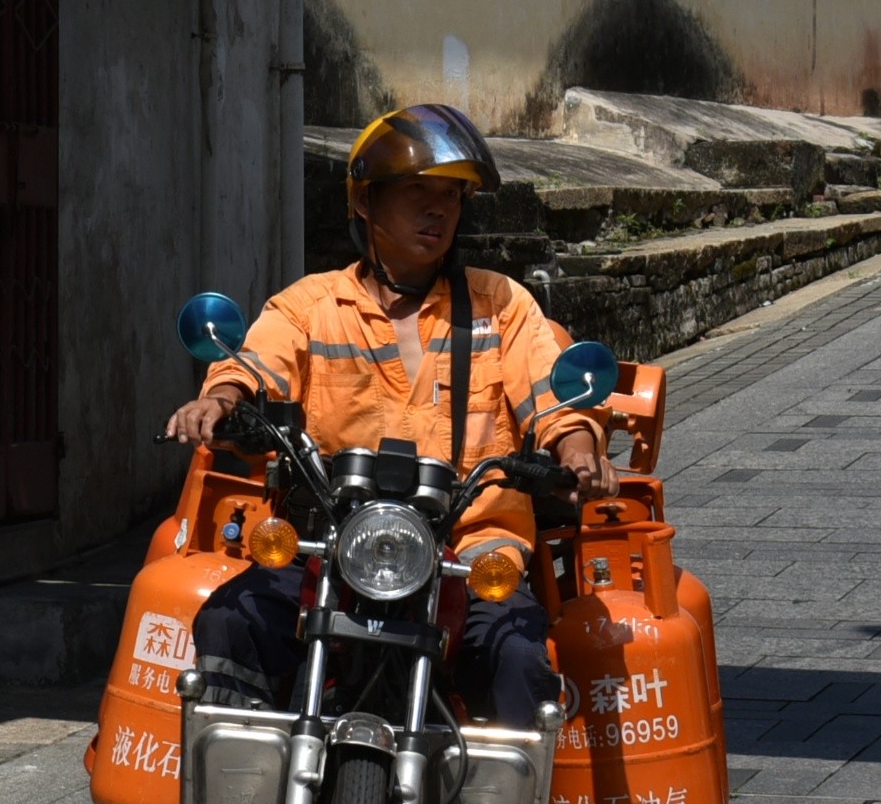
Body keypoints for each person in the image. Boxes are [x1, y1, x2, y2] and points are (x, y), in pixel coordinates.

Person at [166, 102, 611, 728]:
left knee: (517, 658)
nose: (440, 211)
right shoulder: (311, 305)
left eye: (452, 198)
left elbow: (548, 388)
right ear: (366, 202)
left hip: (470, 554)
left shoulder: (500, 304)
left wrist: (575, 447)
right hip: (329, 549)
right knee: (233, 623)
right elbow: (257, 360)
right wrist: (222, 399)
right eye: (417, 193)